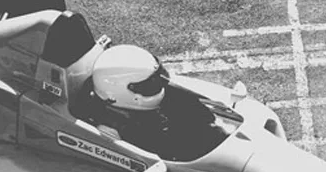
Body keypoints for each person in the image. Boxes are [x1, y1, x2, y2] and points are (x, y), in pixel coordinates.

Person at [89, 45, 225, 161]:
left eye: (157, 78)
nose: (159, 84)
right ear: (117, 91)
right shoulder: (112, 131)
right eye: (149, 85)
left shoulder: (169, 98)